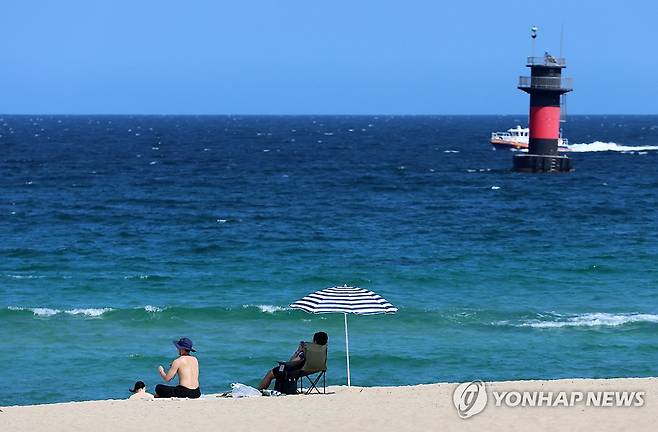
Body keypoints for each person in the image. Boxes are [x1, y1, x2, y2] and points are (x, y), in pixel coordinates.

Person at [258, 331, 328, 390]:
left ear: (315, 341)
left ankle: (260, 390)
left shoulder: (308, 350)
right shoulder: (323, 350)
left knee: (271, 373)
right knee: (282, 370)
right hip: (317, 369)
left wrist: (298, 351)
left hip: (300, 371)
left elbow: (292, 361)